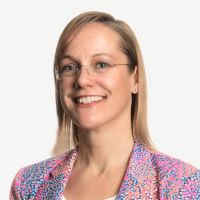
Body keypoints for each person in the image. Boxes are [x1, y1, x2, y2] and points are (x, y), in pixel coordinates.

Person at [10, 11, 200, 200]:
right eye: (70, 67)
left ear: (135, 78)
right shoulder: (28, 185)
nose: (82, 80)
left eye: (101, 64)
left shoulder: (180, 184)